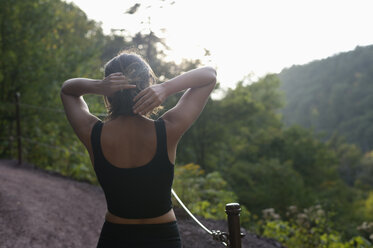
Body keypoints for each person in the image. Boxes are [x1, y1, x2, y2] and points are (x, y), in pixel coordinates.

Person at [60, 51, 217, 247]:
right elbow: (209, 75)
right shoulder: (168, 129)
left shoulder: (93, 133)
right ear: (148, 85)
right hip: (164, 239)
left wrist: (98, 86)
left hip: (115, 238)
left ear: (108, 96)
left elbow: (67, 90)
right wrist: (166, 88)